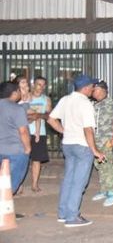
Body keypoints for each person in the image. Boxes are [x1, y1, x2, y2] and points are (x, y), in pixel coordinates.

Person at [47, 74, 106, 228]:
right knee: (79, 182)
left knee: (69, 179)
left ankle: (63, 212)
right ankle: (72, 216)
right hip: (82, 146)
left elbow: (51, 118)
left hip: (68, 145)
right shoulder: (85, 104)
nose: (93, 88)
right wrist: (95, 150)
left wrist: (63, 131)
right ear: (86, 88)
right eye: (92, 86)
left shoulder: (65, 100)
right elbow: (88, 129)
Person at [0, 82, 31, 214]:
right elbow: (23, 131)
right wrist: (27, 148)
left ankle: (5, 211)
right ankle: (3, 214)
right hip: (15, 151)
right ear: (14, 93)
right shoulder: (16, 109)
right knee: (10, 184)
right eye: (19, 90)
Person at [91, 81, 113, 207]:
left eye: (95, 90)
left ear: (103, 91)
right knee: (99, 165)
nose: (93, 92)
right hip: (96, 140)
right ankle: (104, 190)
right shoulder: (94, 104)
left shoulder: (111, 104)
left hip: (106, 139)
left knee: (107, 166)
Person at [28, 76, 51, 193]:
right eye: (38, 84)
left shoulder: (46, 99)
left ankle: (34, 184)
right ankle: (19, 185)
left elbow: (48, 115)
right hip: (25, 131)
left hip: (40, 132)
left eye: (43, 85)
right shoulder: (26, 98)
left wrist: (38, 115)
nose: (41, 87)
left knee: (36, 160)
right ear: (33, 85)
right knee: (23, 159)